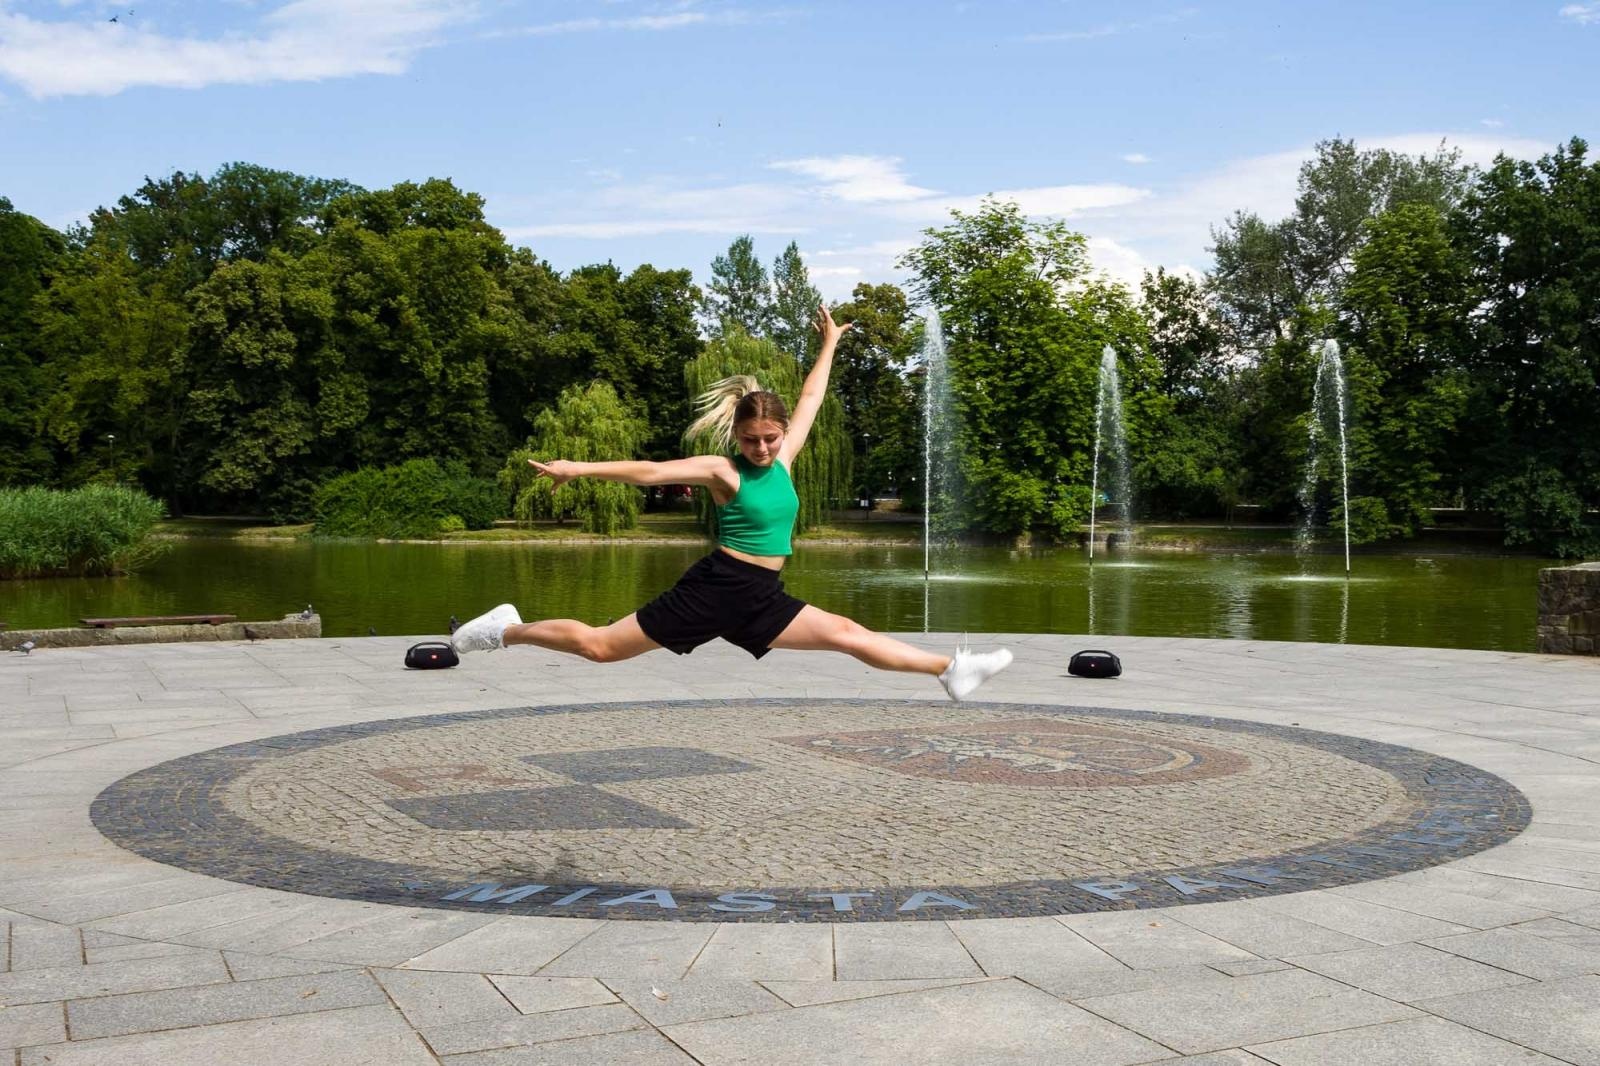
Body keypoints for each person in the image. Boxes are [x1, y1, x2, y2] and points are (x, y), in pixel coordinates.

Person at [451, 305, 1013, 701]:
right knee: (600, 647)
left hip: (759, 594)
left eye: (770, 438)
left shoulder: (785, 458)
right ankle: (506, 630)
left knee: (845, 632)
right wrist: (576, 468)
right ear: (736, 436)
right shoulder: (724, 470)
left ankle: (951, 670)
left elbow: (811, 396)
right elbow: (651, 472)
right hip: (716, 587)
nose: (762, 448)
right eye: (751, 440)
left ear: (781, 433)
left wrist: (829, 345)